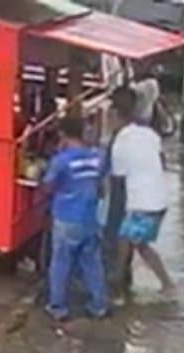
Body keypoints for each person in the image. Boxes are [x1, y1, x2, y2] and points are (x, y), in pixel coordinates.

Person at [109, 86, 176, 299]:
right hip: (158, 197)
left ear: (115, 114)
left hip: (142, 202)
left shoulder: (120, 142)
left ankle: (120, 285)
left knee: (133, 244)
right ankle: (120, 280)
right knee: (131, 241)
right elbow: (161, 160)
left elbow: (117, 177)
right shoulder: (149, 134)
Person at [41, 116, 108, 321]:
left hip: (66, 218)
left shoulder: (61, 161)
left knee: (61, 263)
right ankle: (99, 306)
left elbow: (47, 187)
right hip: (90, 218)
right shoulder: (98, 156)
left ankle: (58, 307)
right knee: (92, 263)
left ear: (62, 135)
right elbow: (102, 187)